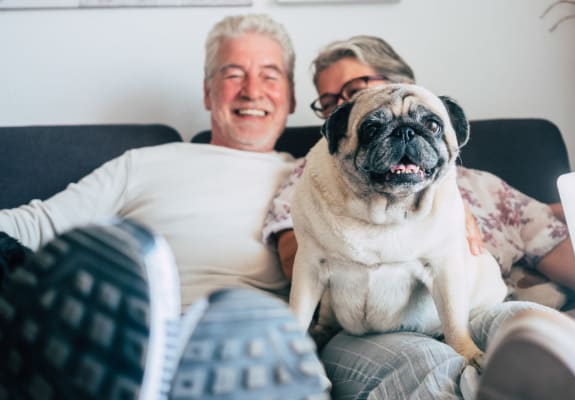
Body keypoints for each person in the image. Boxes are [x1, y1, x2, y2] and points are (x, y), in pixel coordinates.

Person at [263, 35, 575, 399]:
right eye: (332, 101)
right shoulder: (313, 176)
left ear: (405, 86)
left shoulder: (487, 186)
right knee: (430, 365)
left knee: (539, 328)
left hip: (480, 306)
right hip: (369, 331)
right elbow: (297, 257)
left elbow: (568, 256)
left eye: (359, 87)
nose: (347, 101)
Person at [0, 14, 329, 399]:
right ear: (208, 92)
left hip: (252, 345)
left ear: (290, 97)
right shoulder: (143, 162)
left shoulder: (313, 180)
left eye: (270, 76)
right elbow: (34, 225)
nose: (252, 91)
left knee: (253, 339)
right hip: (133, 331)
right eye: (233, 74)